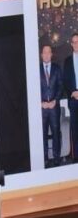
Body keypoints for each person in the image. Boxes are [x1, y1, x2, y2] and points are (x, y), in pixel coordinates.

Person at [40, 43, 63, 165]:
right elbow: (33, 87)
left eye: (49, 52)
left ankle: (56, 158)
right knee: (42, 134)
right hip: (42, 108)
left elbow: (60, 86)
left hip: (54, 107)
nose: (47, 54)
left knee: (56, 133)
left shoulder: (57, 68)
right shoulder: (36, 69)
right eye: (44, 52)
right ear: (41, 55)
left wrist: (55, 100)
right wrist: (40, 102)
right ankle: (44, 159)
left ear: (51, 54)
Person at [64, 33, 78, 162]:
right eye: (74, 42)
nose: (76, 44)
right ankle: (76, 156)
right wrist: (73, 92)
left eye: (77, 41)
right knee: (75, 128)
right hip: (73, 99)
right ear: (71, 44)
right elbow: (66, 80)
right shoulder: (67, 61)